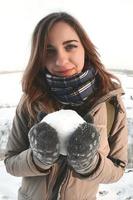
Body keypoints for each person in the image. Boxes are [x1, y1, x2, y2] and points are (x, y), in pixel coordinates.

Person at [4, 12, 128, 200]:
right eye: (49, 50)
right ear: (39, 56)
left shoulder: (110, 104)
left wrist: (90, 164)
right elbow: (11, 162)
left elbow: (118, 168)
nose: (61, 60)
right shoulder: (31, 101)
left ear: (85, 48)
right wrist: (38, 158)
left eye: (70, 46)